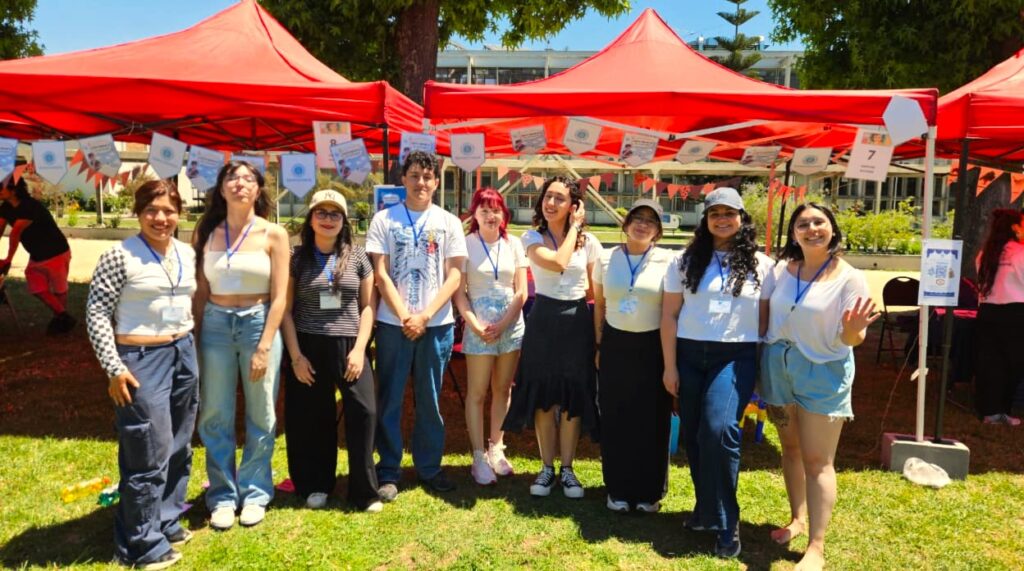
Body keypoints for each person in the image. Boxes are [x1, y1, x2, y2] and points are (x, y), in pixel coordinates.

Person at [85, 180, 197, 570]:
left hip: (183, 350)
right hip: (140, 358)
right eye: (152, 210)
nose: (160, 218)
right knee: (148, 448)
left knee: (179, 443)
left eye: (169, 211)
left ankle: (166, 518)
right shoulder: (119, 255)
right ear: (138, 213)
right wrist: (114, 368)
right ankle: (139, 543)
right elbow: (97, 312)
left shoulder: (186, 252)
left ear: (179, 214)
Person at [760, 202, 878, 571]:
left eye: (819, 222)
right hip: (778, 365)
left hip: (823, 371)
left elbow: (852, 338)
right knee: (791, 448)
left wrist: (854, 329)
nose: (811, 229)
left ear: (833, 229)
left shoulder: (849, 277)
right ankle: (797, 519)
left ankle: (816, 546)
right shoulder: (781, 269)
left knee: (818, 460)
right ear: (793, 233)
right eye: (803, 224)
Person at [661, 188, 774, 558]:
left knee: (719, 430)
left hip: (735, 356)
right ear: (705, 220)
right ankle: (705, 510)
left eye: (729, 213)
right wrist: (669, 366)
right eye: (715, 214)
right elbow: (669, 316)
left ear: (742, 218)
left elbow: (764, 323)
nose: (722, 219)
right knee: (695, 436)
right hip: (690, 354)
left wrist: (760, 369)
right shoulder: (683, 261)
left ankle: (727, 521)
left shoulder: (763, 265)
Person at [365, 151, 467, 500]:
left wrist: (424, 316)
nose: (421, 182)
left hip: (436, 325)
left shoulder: (449, 222)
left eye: (427, 176)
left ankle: (429, 466)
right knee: (390, 399)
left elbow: (455, 276)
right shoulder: (384, 219)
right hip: (392, 325)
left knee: (430, 400)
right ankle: (389, 470)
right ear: (403, 179)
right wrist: (405, 316)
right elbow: (380, 274)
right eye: (414, 175)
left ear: (436, 182)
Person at [193, 160, 289, 530]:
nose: (239, 183)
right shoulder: (206, 231)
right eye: (232, 177)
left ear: (258, 189)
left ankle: (255, 492)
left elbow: (280, 297)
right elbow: (201, 291)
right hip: (215, 325)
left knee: (261, 413)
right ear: (221, 188)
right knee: (214, 413)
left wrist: (265, 345)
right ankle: (221, 495)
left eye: (248, 178)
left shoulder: (273, 234)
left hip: (258, 323)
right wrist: (195, 336)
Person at [280, 190, 384, 511]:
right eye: (321, 213)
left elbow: (368, 307)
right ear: (310, 219)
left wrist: (360, 349)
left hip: (350, 345)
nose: (328, 219)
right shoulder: (296, 257)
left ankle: (364, 491)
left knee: (364, 412)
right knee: (313, 416)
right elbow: (285, 310)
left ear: (344, 221)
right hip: (307, 345)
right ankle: (316, 483)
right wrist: (296, 357)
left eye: (335, 214)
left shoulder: (358, 257)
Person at [502, 176, 601, 499]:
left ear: (573, 205)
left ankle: (568, 469)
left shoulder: (590, 243)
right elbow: (558, 263)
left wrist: (576, 230)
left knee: (572, 396)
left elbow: (592, 289)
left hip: (576, 321)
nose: (551, 203)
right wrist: (575, 227)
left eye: (560, 198)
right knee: (543, 396)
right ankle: (547, 467)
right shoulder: (531, 237)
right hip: (543, 319)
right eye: (548, 196)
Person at [593, 198, 672, 512]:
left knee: (652, 418)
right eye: (637, 218)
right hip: (615, 343)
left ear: (658, 231)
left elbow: (672, 310)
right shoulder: (606, 258)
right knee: (616, 416)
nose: (642, 224)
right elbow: (599, 304)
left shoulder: (669, 260)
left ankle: (649, 492)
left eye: (650, 221)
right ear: (626, 224)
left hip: (653, 345)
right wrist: (599, 345)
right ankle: (618, 489)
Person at [452, 188, 528, 485]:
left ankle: (497, 447)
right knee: (477, 393)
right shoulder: (465, 244)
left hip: (511, 326)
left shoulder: (514, 244)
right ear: (475, 214)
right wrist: (473, 324)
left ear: (503, 214)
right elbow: (460, 293)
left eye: (495, 210)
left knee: (503, 389)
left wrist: (505, 322)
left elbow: (521, 291)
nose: (490, 216)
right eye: (484, 210)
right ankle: (478, 456)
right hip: (479, 330)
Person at [0, 176, 75, 334]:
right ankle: (63, 316)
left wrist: (8, 259)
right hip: (37, 254)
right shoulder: (5, 207)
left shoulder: (30, 206)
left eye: (1, 187)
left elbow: (16, 233)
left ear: (14, 190)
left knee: (59, 289)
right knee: (36, 287)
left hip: (56, 251)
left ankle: (61, 320)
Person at [973, 208, 1024, 426]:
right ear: (1014, 227)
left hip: (988, 311)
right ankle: (1001, 408)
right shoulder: (1020, 252)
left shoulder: (986, 253)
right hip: (1015, 312)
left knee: (990, 362)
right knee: (1012, 363)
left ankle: (989, 410)